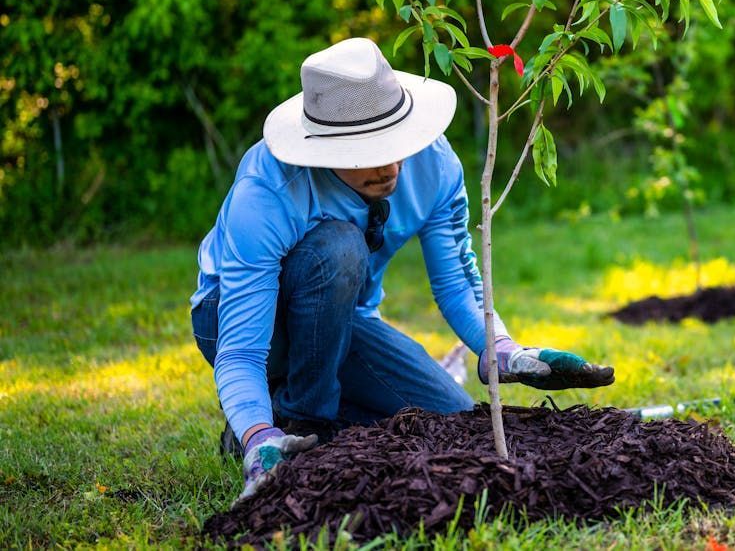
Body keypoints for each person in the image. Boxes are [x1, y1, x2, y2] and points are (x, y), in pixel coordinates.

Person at [189, 37, 614, 499]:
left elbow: (456, 281)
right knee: (339, 247)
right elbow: (241, 350)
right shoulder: (269, 191)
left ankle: (291, 411)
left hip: (342, 321)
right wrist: (258, 435)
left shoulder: (434, 165)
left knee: (449, 417)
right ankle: (288, 424)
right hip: (238, 320)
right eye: (365, 151)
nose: (390, 165)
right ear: (324, 149)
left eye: (395, 142)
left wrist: (502, 350)